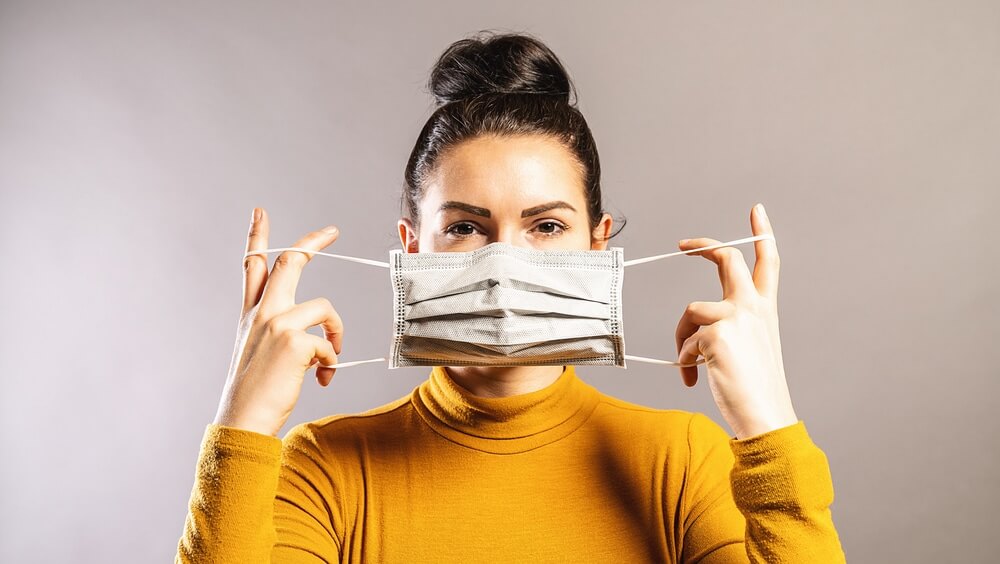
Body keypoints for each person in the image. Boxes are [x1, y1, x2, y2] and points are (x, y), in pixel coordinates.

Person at [176, 31, 845, 563]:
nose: (504, 263)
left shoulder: (683, 462)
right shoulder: (326, 465)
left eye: (546, 225)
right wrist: (243, 424)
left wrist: (771, 429)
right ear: (414, 248)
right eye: (466, 227)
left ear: (596, 244)